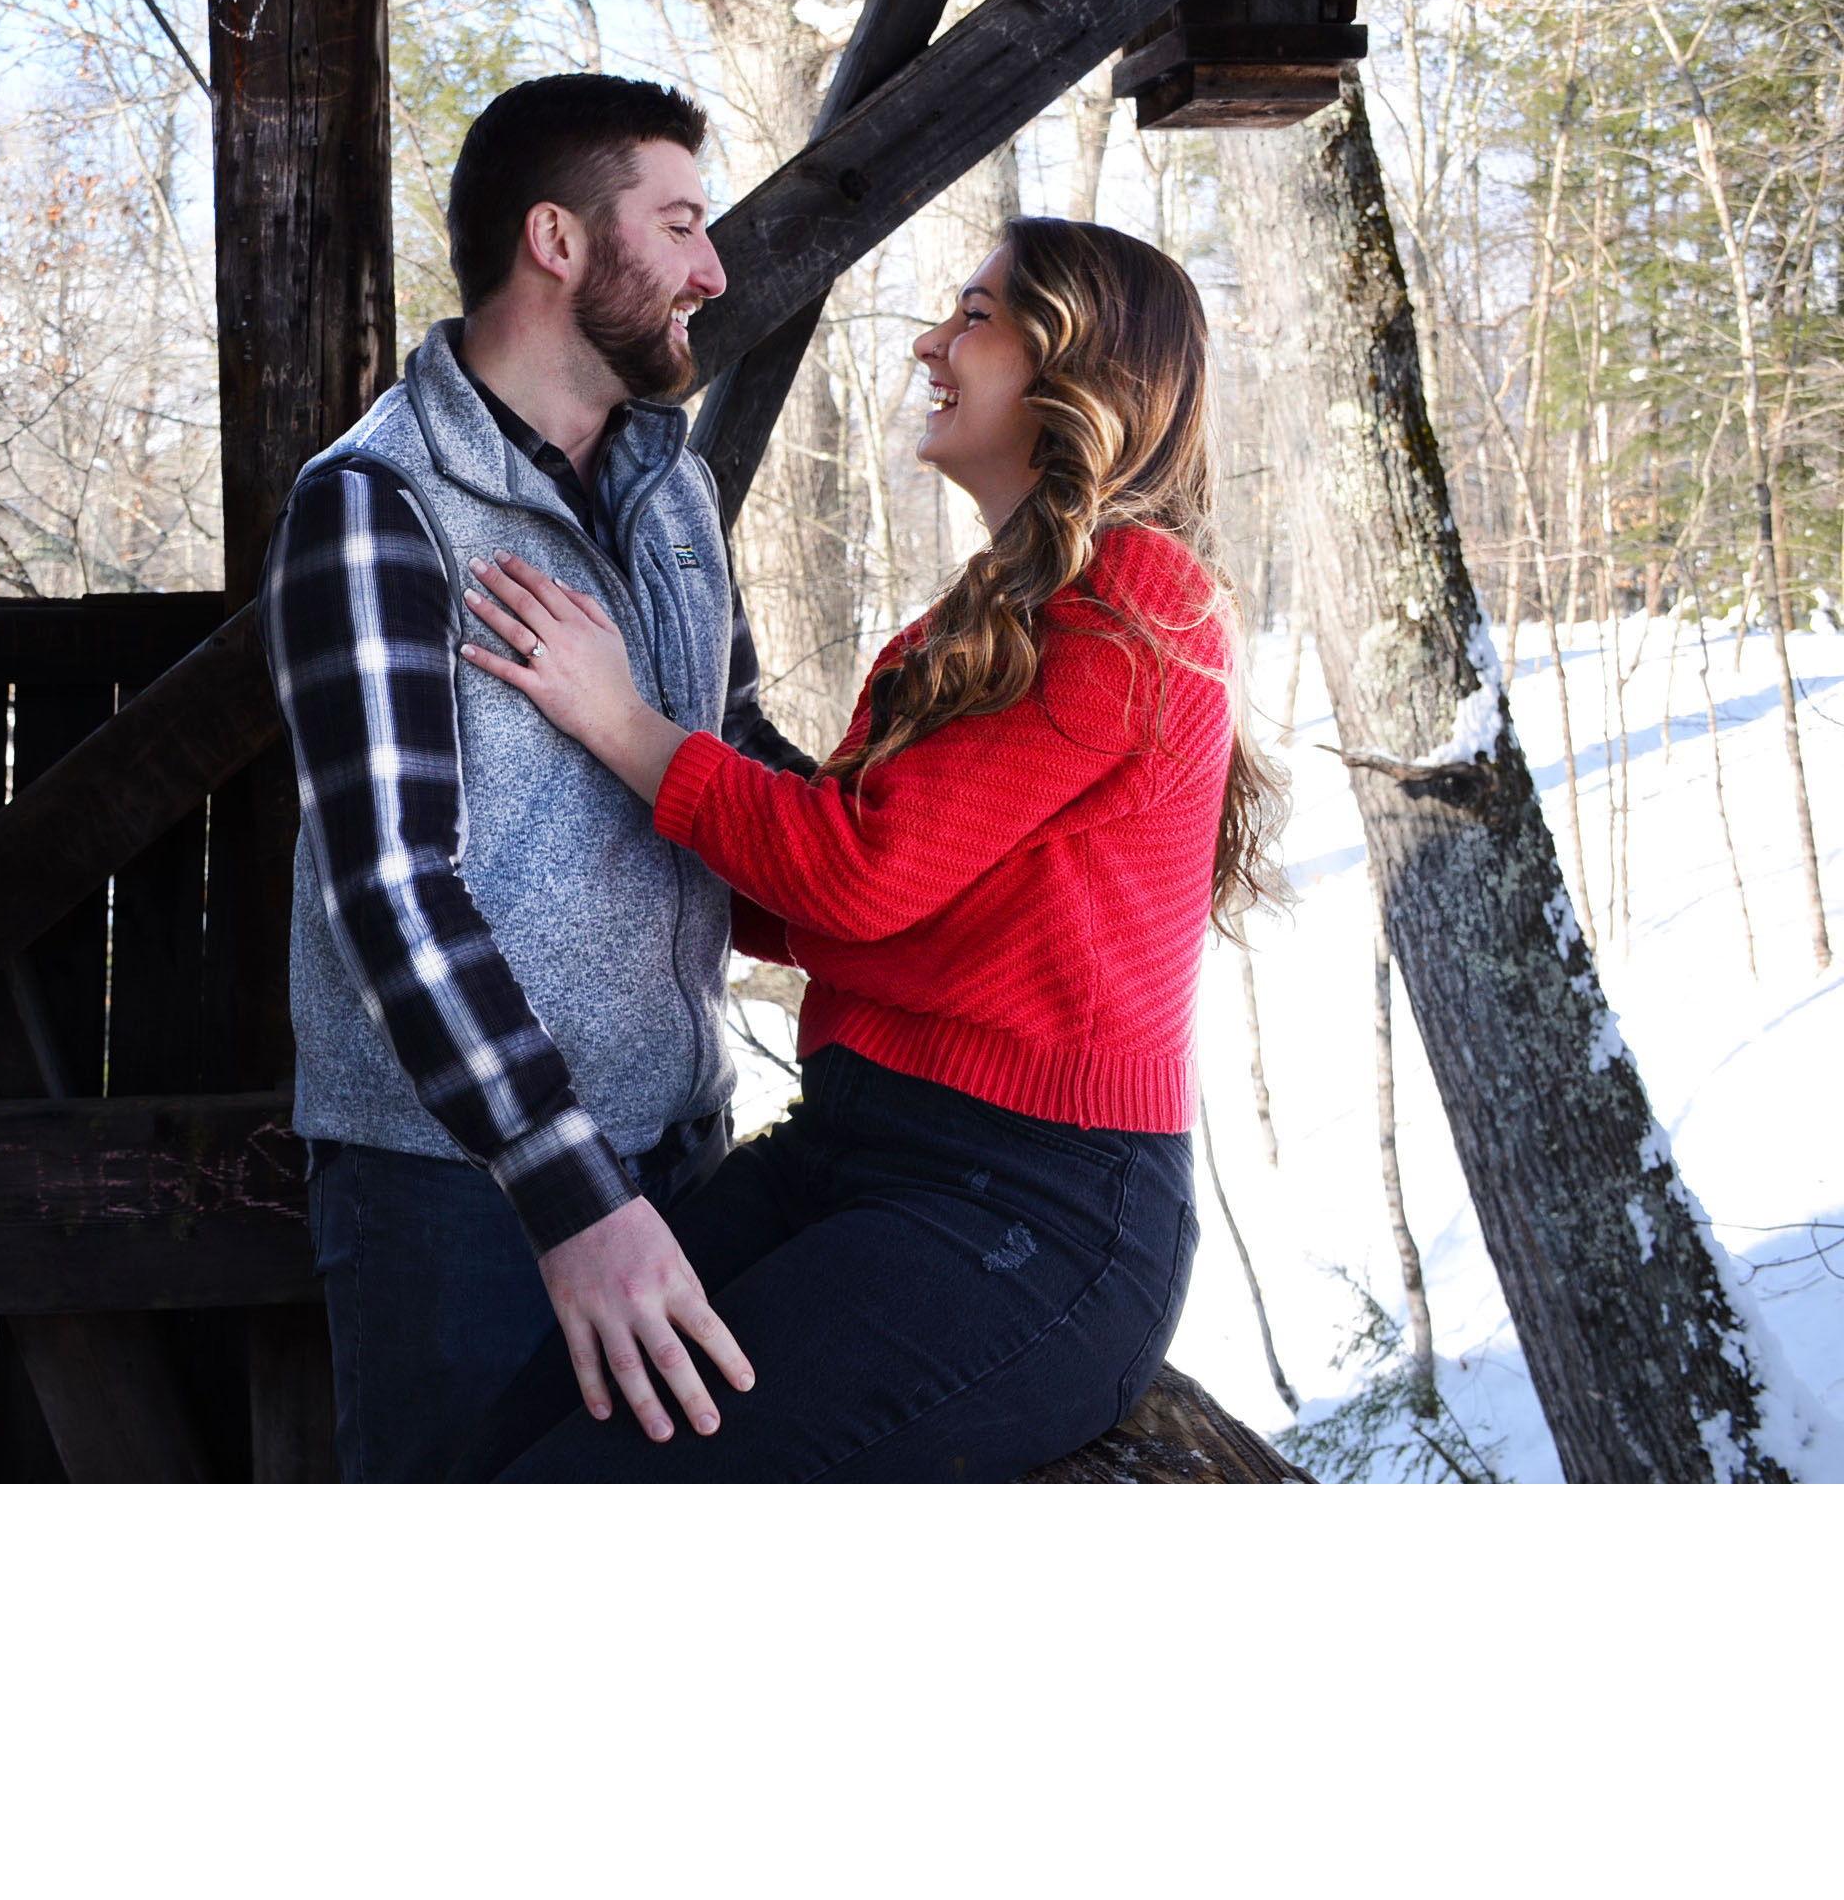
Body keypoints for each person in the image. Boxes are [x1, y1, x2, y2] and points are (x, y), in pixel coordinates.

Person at [450, 216, 1286, 1481]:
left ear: (1078, 367)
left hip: (1031, 1209)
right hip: (851, 1147)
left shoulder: (1136, 596)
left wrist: (621, 722)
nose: (928, 343)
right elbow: (827, 910)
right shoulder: (970, 622)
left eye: (976, 315)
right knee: (509, 1449)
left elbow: (852, 871)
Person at [258, 72, 815, 1483]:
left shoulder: (669, 483)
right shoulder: (378, 502)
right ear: (558, 242)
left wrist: (911, 839)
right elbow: (391, 888)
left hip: (687, 1147)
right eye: (681, 222)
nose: (713, 267)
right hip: (462, 1207)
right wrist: (576, 1200)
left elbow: (730, 748)